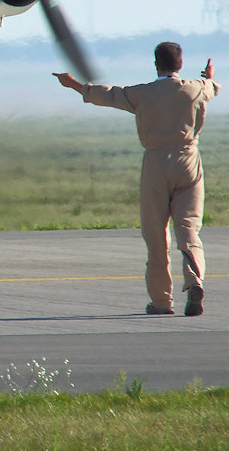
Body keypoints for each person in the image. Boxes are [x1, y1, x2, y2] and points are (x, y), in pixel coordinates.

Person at [54, 42, 217, 316]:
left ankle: (162, 302)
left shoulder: (143, 94)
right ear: (180, 64)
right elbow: (212, 87)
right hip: (188, 160)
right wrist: (209, 76)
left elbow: (108, 95)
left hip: (155, 163)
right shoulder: (195, 88)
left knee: (156, 236)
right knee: (189, 229)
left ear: (156, 64)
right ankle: (195, 281)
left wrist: (74, 85)